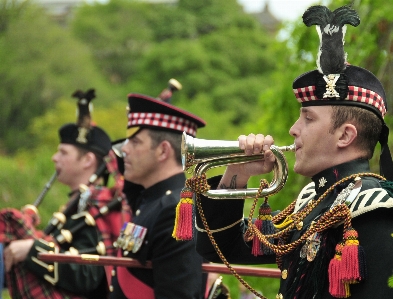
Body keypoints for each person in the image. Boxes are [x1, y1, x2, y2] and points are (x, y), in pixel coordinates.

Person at [193, 5, 393, 299]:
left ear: (346, 135)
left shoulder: (375, 210)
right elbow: (218, 247)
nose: (293, 129)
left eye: (308, 118)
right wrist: (237, 173)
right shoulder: (311, 204)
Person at [1, 89, 129, 299]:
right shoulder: (78, 203)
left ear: (88, 160)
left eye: (63, 152)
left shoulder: (96, 203)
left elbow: (91, 273)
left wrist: (34, 250)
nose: (54, 158)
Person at [109, 86, 207, 299]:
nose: (124, 149)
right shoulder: (150, 200)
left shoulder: (176, 211)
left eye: (135, 141)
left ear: (163, 150)